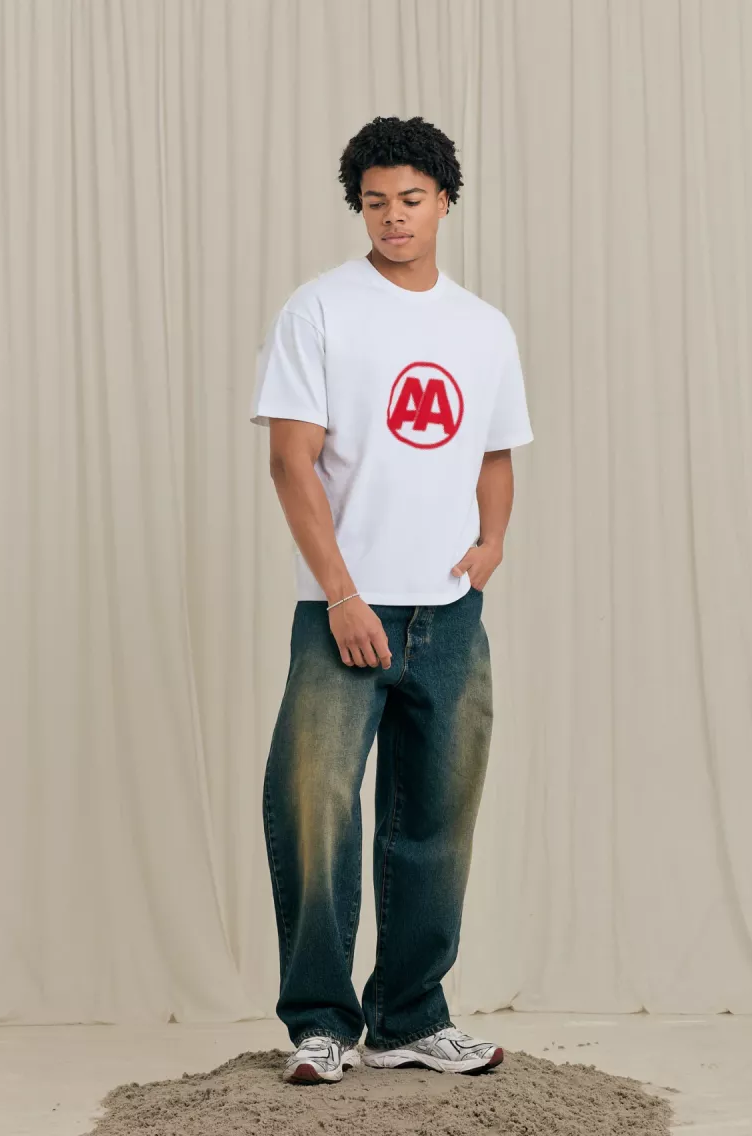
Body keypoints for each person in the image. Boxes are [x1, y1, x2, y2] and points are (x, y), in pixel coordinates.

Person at [249, 115, 534, 1085]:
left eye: (410, 199)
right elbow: (290, 461)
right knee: (314, 810)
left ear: (444, 200)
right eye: (375, 202)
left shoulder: (482, 327)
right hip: (344, 614)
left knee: (435, 823)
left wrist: (492, 544)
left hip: (449, 615)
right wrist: (341, 595)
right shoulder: (320, 311)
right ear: (359, 208)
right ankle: (320, 1025)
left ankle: (410, 1017)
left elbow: (493, 452)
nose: (393, 217)